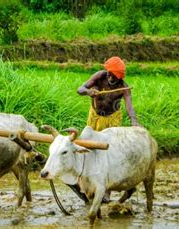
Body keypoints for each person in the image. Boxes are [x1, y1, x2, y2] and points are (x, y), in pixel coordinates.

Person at [67, 56, 140, 204]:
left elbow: (129, 105)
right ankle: (83, 182)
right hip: (94, 116)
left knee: (106, 152)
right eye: (109, 74)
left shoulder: (123, 87)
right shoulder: (99, 76)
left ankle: (106, 191)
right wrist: (89, 92)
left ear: (119, 77)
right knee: (86, 146)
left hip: (111, 120)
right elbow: (80, 89)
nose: (110, 77)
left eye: (114, 76)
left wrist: (134, 120)